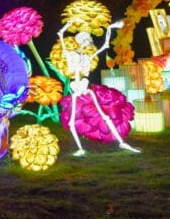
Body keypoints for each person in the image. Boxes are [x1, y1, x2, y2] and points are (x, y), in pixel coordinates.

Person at [59, 19, 140, 156]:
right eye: (85, 40)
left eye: (87, 41)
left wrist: (110, 29)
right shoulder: (72, 55)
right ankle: (80, 148)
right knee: (72, 121)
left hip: (85, 88)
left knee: (105, 117)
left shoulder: (86, 56)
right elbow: (60, 35)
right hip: (77, 88)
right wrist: (66, 27)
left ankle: (122, 143)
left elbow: (104, 47)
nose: (87, 43)